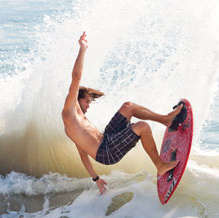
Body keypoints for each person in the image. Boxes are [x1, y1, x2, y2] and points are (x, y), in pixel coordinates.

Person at [62, 32, 183, 194]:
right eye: (87, 101)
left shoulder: (78, 120)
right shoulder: (69, 112)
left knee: (128, 106)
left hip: (107, 138)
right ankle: (160, 166)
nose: (89, 106)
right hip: (106, 152)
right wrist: (82, 49)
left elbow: (83, 156)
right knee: (142, 127)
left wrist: (96, 180)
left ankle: (165, 120)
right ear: (77, 98)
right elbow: (76, 77)